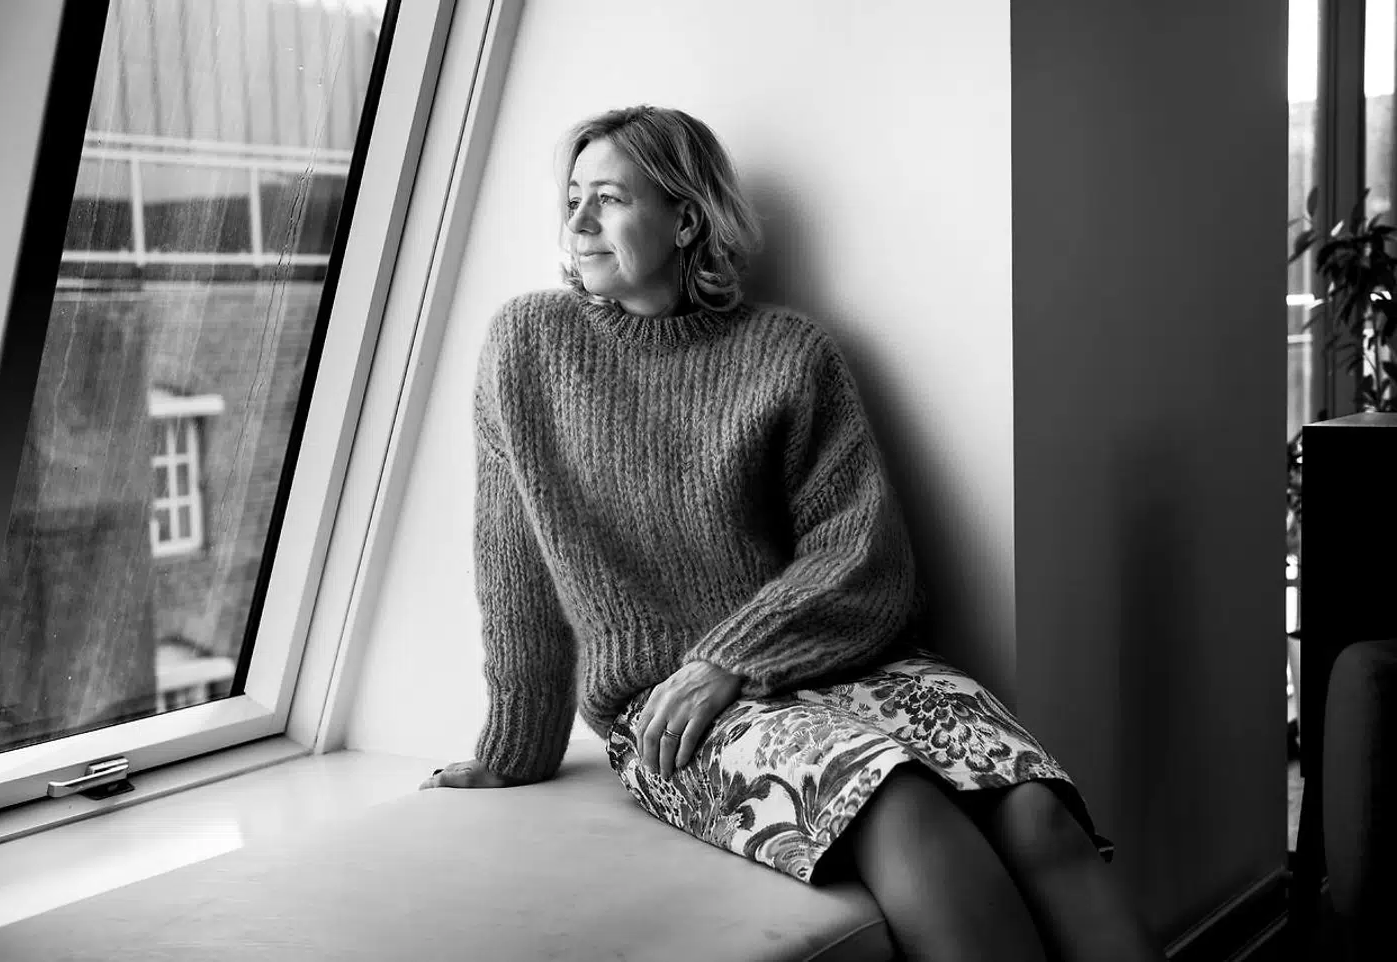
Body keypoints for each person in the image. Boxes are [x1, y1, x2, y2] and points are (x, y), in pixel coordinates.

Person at [420, 104, 1163, 962]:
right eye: (573, 197)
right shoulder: (526, 347)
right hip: (669, 709)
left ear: (686, 219)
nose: (578, 221)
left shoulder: (791, 352)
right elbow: (511, 566)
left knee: (1036, 813)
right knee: (900, 805)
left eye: (610, 199)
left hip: (842, 661)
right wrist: (514, 748)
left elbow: (865, 555)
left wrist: (731, 658)